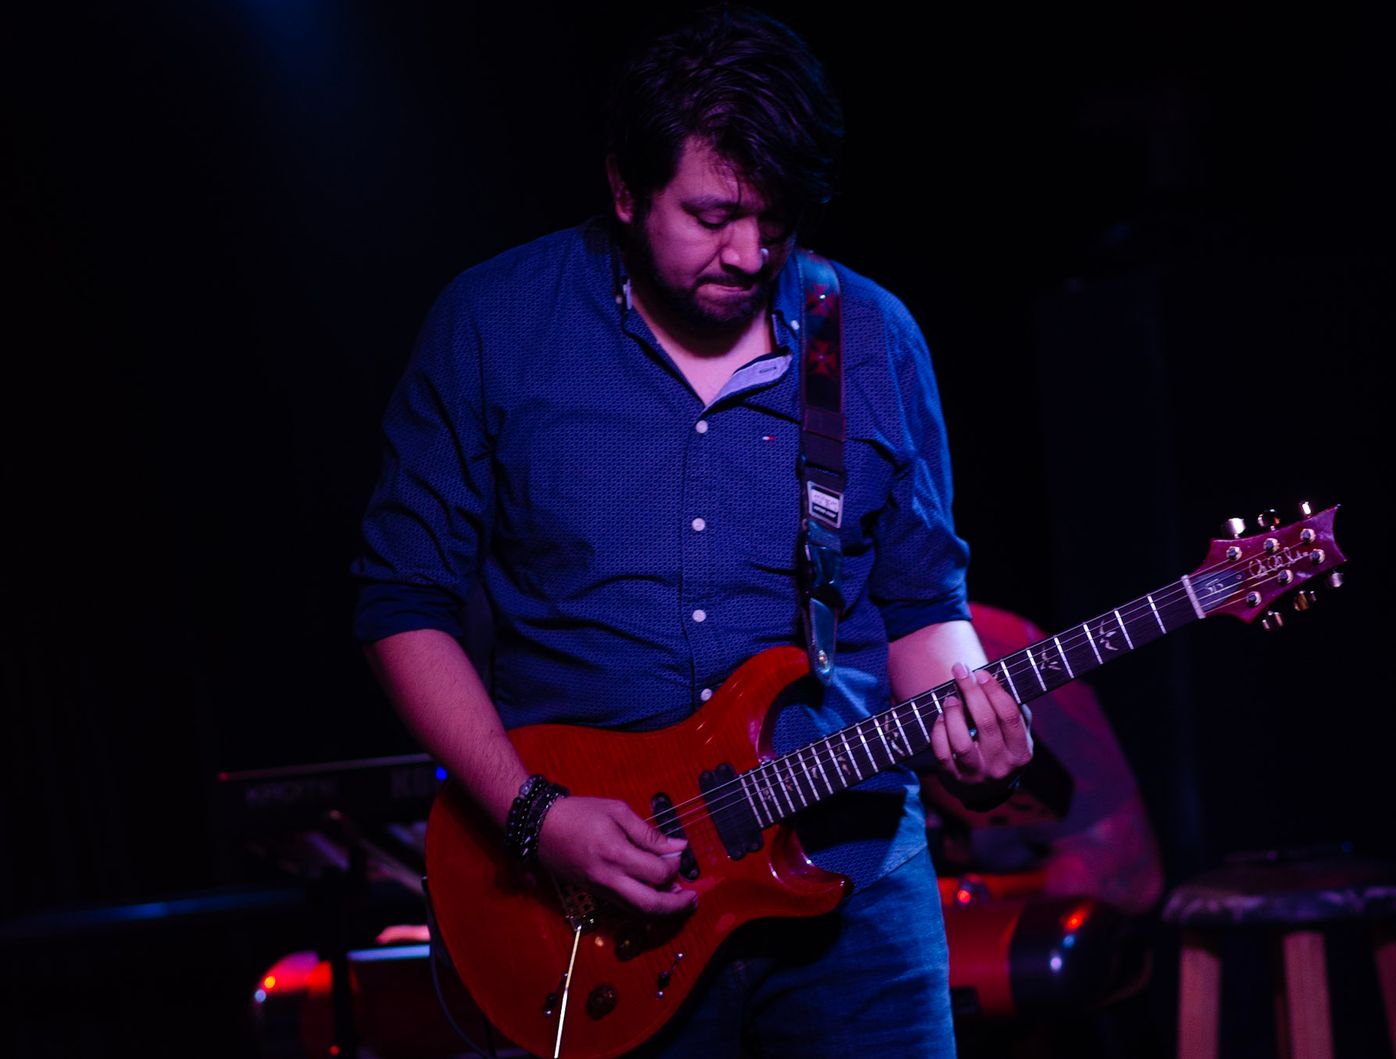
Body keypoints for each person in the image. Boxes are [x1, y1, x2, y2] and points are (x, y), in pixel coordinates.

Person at [353, 8, 1030, 1055]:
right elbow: (401, 602)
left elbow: (921, 605)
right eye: (713, 215)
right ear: (625, 189)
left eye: (775, 220)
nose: (749, 253)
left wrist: (976, 730)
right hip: (588, 901)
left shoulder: (871, 337)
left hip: (852, 884)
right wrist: (533, 815)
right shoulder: (496, 325)